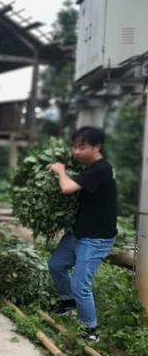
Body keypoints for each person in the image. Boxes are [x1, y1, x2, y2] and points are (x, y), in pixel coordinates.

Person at [48, 126, 117, 343]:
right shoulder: (88, 169)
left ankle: (91, 330)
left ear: (97, 147)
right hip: (78, 234)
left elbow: (67, 188)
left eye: (82, 147)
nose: (76, 152)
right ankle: (68, 302)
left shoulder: (101, 169)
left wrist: (60, 170)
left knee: (81, 285)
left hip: (95, 239)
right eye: (74, 147)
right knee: (56, 264)